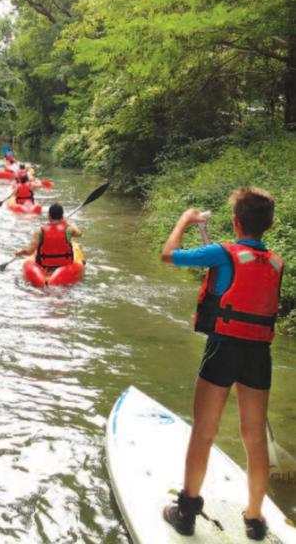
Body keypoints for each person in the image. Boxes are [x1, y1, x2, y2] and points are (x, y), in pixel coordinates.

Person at [160, 188, 283, 541]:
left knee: (204, 431)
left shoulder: (221, 252)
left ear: (235, 221)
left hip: (223, 349)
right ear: (269, 225)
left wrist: (185, 220)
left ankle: (185, 512)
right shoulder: (276, 262)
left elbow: (168, 255)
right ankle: (254, 519)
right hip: (258, 354)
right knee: (254, 438)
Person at [15, 203, 82, 267]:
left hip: (45, 265)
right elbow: (79, 234)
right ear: (62, 217)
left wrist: (20, 252)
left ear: (49, 216)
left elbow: (29, 252)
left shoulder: (40, 231)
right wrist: (66, 222)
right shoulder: (69, 230)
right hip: (64, 264)